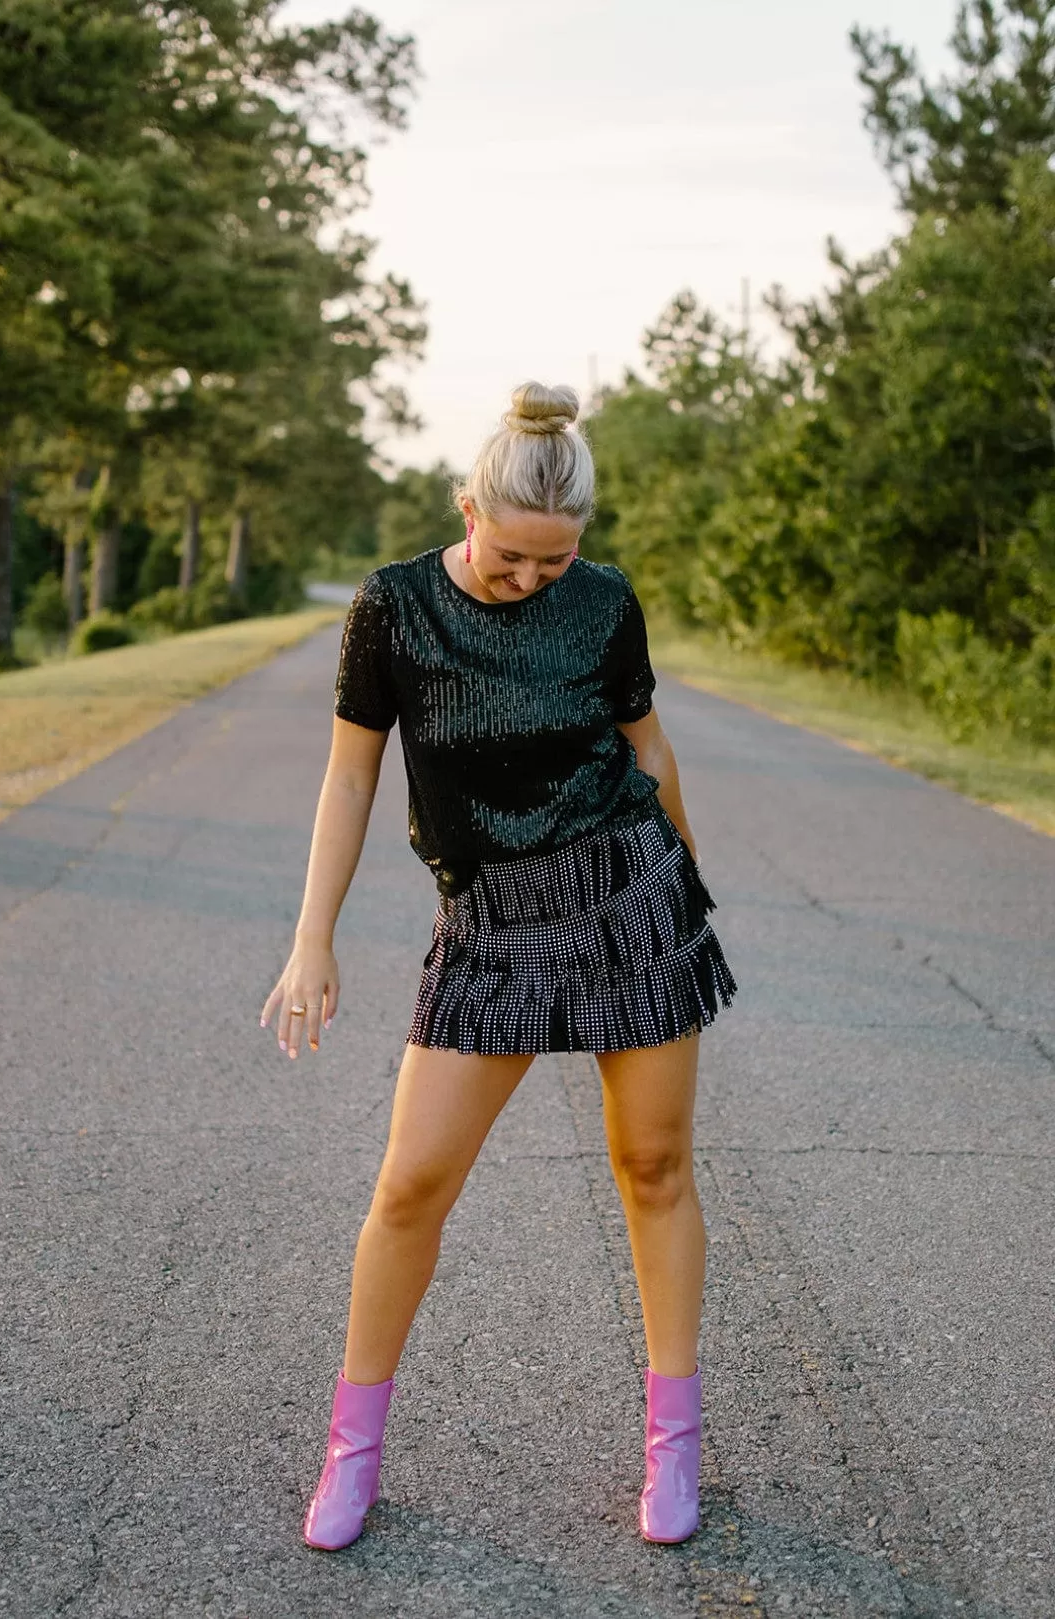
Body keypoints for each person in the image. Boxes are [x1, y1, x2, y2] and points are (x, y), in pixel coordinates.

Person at [261, 381, 738, 1552]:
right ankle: (352, 1453)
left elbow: (648, 746)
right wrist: (312, 933)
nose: (533, 583)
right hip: (490, 918)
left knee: (655, 1165)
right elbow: (352, 775)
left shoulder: (605, 602)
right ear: (467, 505)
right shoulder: (394, 609)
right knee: (410, 1183)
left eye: (556, 564)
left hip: (625, 889)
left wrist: (690, 887)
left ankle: (673, 1449)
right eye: (513, 558)